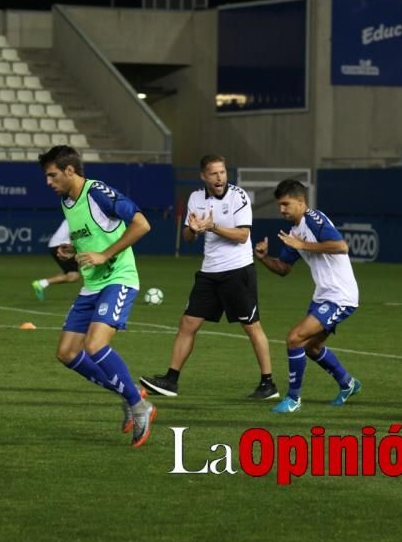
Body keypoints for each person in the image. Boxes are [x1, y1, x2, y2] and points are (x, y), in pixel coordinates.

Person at [39, 145, 156, 447]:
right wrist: (73, 250)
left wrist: (105, 254)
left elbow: (142, 224)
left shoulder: (97, 193)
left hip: (119, 279)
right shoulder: (67, 201)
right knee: (66, 353)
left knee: (94, 345)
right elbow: (92, 236)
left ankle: (139, 405)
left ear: (69, 171)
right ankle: (130, 393)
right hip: (91, 285)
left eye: (52, 175)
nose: (48, 182)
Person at [140, 155, 278, 400]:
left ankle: (268, 384)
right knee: (188, 324)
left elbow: (242, 236)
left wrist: (213, 227)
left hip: (237, 271)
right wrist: (192, 230)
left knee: (251, 326)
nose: (219, 177)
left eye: (222, 172)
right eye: (214, 173)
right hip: (209, 273)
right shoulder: (196, 198)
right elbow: (188, 237)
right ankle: (171, 380)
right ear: (203, 176)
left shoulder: (238, 197)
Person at [254, 179, 362, 413]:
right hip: (323, 295)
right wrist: (263, 258)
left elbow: (341, 246)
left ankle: (293, 399)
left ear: (301, 202)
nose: (281, 210)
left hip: (340, 296)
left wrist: (303, 245)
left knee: (294, 338)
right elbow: (283, 268)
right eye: (279, 205)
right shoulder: (294, 231)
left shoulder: (314, 220)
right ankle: (348, 383)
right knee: (311, 347)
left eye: (286, 204)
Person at [31, 219, 81, 299]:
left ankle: (42, 283)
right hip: (62, 246)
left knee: (70, 274)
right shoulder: (78, 217)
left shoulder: (73, 214)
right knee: (73, 276)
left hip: (58, 245)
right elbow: (73, 235)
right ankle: (41, 283)